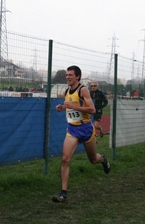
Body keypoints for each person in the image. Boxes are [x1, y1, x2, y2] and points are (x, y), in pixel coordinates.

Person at [52, 65, 111, 204]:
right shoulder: (66, 91)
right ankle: (63, 194)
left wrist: (73, 107)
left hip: (86, 129)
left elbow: (92, 109)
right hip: (72, 129)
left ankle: (103, 159)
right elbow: (69, 106)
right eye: (66, 75)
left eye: (70, 75)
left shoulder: (83, 90)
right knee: (65, 159)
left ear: (77, 76)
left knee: (93, 160)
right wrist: (62, 107)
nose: (67, 77)